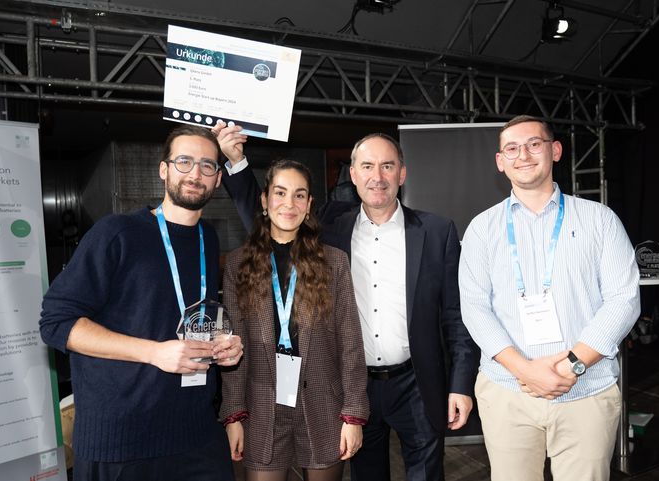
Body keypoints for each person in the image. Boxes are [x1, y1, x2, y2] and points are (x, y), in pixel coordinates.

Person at [215, 122, 478, 481]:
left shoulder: (436, 231)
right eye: (367, 167)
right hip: (352, 386)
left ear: (402, 173)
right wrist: (236, 161)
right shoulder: (333, 228)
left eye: (387, 166)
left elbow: (455, 316)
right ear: (353, 175)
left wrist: (461, 384)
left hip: (416, 383)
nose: (378, 176)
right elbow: (272, 216)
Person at [39, 125, 244, 481]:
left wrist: (222, 345)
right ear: (164, 170)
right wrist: (153, 352)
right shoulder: (116, 233)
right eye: (184, 161)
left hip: (194, 431)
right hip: (123, 441)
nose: (195, 173)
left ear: (216, 180)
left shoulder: (207, 238)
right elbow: (55, 323)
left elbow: (177, 315)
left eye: (208, 166)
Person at [458, 114, 641, 481]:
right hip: (509, 391)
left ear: (554, 151)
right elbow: (475, 308)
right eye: (512, 148)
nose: (523, 154)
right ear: (500, 161)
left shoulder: (600, 220)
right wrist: (526, 370)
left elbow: (623, 300)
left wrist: (571, 365)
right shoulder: (481, 229)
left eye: (533, 144)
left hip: (585, 389)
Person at [220, 159, 369, 481]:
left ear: (309, 204)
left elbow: (350, 342)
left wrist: (354, 415)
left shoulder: (334, 262)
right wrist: (233, 414)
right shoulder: (237, 264)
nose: (289, 204)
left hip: (324, 403)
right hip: (260, 405)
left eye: (299, 195)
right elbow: (233, 348)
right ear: (264, 200)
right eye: (280, 193)